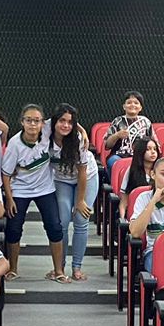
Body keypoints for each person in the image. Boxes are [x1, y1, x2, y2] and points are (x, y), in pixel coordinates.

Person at [1, 104, 67, 281]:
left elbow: (70, 120)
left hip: (45, 188)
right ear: (22, 122)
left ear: (42, 123)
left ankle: (58, 271)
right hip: (20, 190)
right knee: (13, 229)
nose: (32, 124)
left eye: (36, 120)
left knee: (55, 227)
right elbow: (6, 174)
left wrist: (82, 133)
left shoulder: (47, 131)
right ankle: (12, 269)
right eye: (28, 120)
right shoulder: (14, 144)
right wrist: (9, 198)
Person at [49, 103, 97, 281]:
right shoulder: (45, 132)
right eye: (62, 121)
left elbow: (82, 172)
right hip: (61, 180)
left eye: (70, 122)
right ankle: (59, 267)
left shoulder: (78, 140)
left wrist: (80, 201)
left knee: (81, 218)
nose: (66, 125)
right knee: (62, 221)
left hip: (86, 177)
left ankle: (77, 267)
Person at [103, 90, 154, 168]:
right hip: (119, 156)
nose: (132, 105)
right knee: (114, 161)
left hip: (140, 156)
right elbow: (107, 146)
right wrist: (117, 135)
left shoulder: (146, 122)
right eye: (129, 102)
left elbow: (153, 142)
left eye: (136, 103)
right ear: (124, 106)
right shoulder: (117, 121)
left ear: (140, 107)